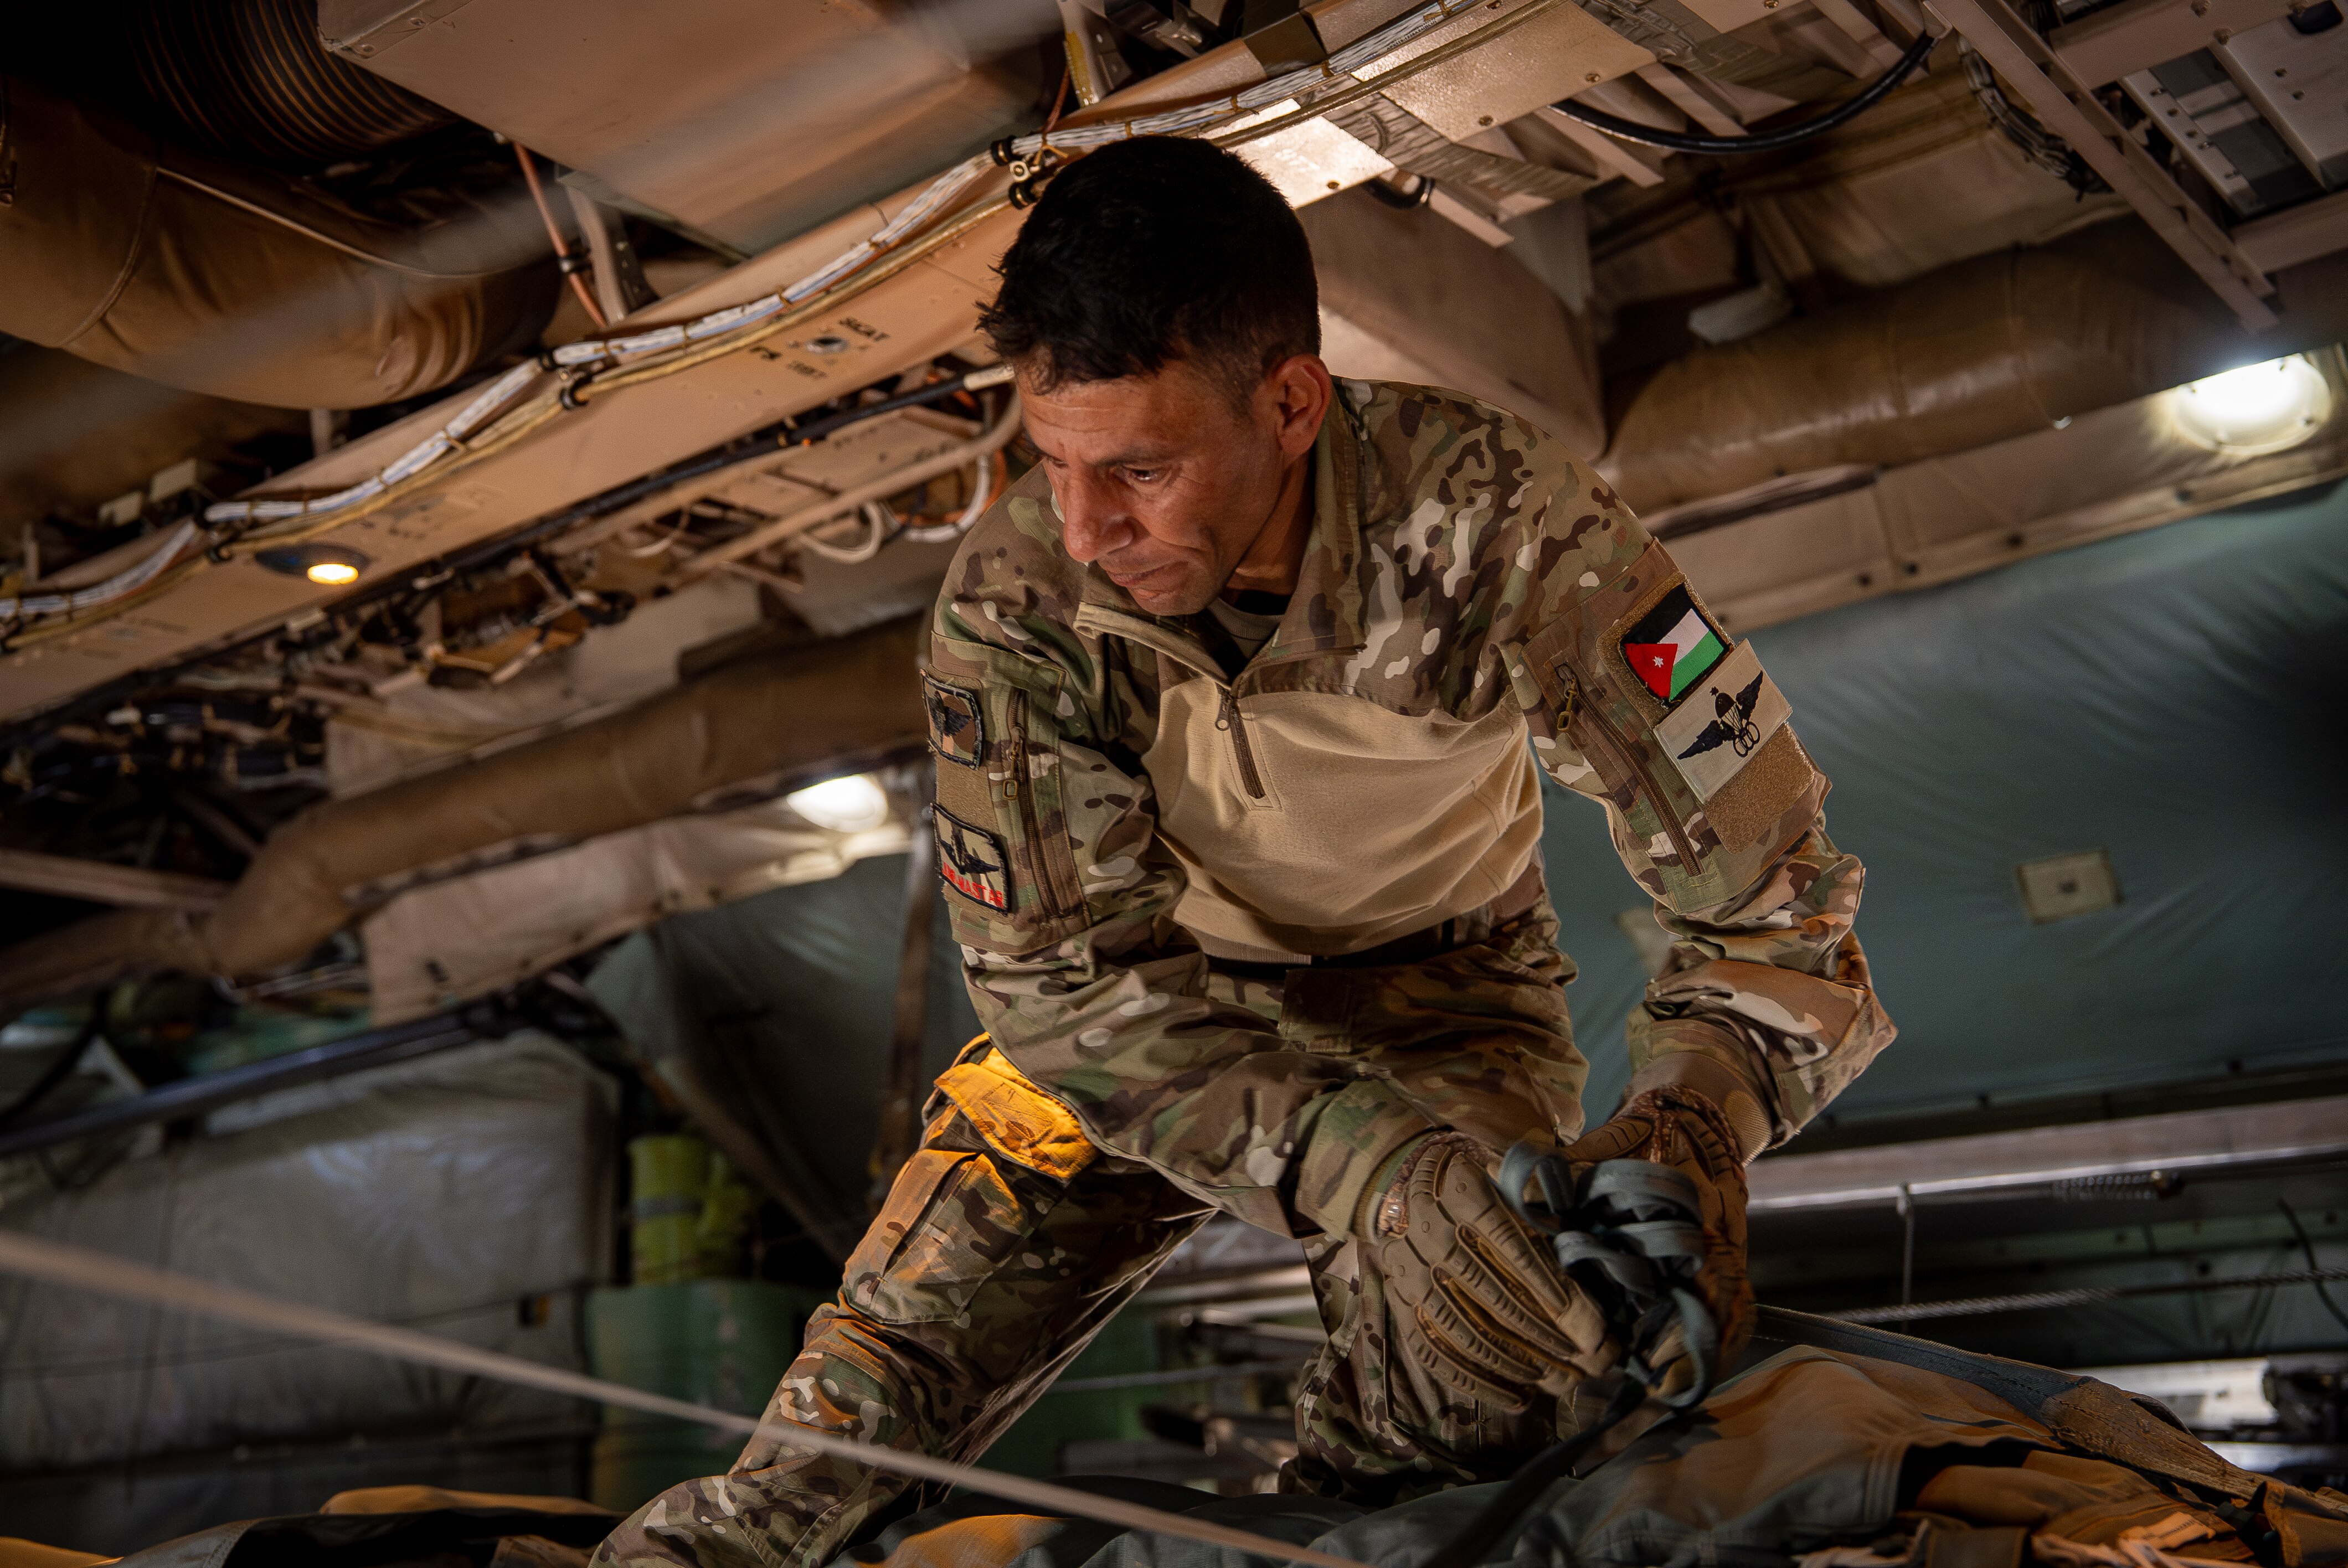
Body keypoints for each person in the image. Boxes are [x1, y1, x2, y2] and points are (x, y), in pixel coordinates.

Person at [595, 135, 1892, 1568]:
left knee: (1502, 1383)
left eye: (1141, 470)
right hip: (1145, 1014)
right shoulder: (1021, 606)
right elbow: (1065, 989)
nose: (1089, 529)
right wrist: (1352, 1162)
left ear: (1289, 403)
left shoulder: (1507, 524)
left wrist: (1694, 1123)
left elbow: (1773, 905)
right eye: (1056, 464)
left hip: (1442, 986)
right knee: (836, 1444)